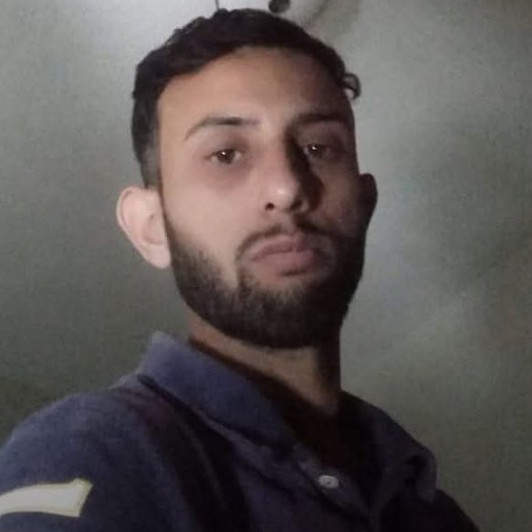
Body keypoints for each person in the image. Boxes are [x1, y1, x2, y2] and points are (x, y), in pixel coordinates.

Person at [0, 9, 478, 531]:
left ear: (364, 203)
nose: (287, 188)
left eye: (318, 148)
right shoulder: (91, 451)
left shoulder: (434, 510)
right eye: (226, 154)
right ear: (152, 227)